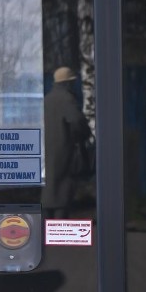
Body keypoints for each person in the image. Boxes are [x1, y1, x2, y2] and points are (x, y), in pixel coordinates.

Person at [42, 66, 90, 219]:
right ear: (67, 83)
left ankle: (46, 225)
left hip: (49, 150)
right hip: (64, 149)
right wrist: (83, 135)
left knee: (51, 187)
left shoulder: (47, 98)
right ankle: (58, 228)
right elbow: (77, 120)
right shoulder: (66, 98)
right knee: (63, 189)